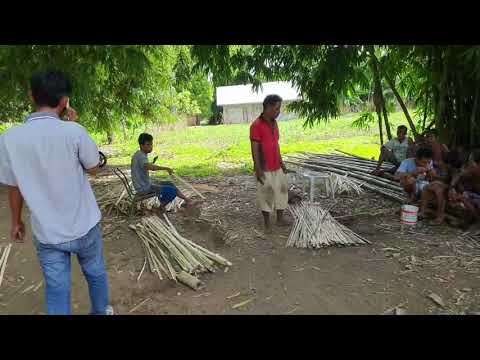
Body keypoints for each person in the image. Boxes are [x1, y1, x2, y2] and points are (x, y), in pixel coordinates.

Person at [0, 70, 111, 315]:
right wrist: (72, 127)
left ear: (31, 96)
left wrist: (17, 222)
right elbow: (93, 168)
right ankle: (102, 311)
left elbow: (14, 186)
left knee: (57, 288)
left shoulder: (9, 139)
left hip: (49, 234)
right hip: (85, 225)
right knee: (96, 273)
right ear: (65, 101)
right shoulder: (74, 132)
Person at [250, 94, 294, 234]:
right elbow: (254, 149)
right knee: (266, 195)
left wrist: (282, 163)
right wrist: (258, 169)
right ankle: (267, 224)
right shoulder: (256, 125)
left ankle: (279, 220)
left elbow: (276, 144)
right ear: (268, 107)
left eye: (279, 108)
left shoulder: (275, 123)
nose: (278, 111)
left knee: (282, 192)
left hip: (276, 166)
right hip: (264, 167)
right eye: (276, 108)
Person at [131, 133, 193, 213]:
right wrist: (166, 168)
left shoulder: (139, 154)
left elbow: (146, 166)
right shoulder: (141, 156)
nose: (151, 146)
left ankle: (187, 200)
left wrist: (151, 164)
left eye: (151, 144)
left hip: (144, 184)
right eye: (148, 144)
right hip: (144, 187)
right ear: (141, 145)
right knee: (172, 191)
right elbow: (151, 167)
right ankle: (160, 208)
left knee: (169, 183)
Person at [418, 150, 464, 225]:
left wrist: (451, 188)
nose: (446, 166)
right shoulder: (450, 169)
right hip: (451, 191)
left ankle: (440, 217)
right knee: (429, 186)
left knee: (439, 190)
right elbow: (446, 181)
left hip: (462, 195)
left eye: (447, 165)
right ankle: (422, 212)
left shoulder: (460, 171)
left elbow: (456, 185)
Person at [448, 150, 480, 223]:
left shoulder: (475, 168)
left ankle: (477, 220)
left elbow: (458, 175)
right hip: (474, 194)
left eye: (471, 159)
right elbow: (458, 175)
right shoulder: (473, 168)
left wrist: (451, 187)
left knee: (461, 198)